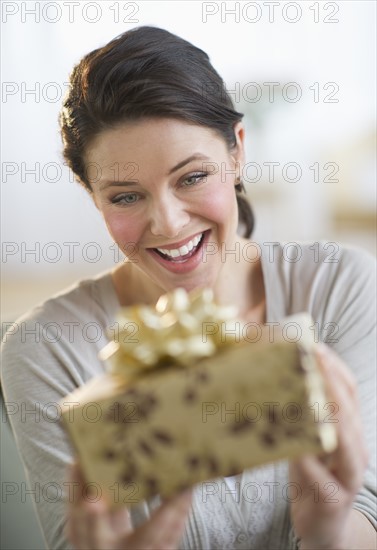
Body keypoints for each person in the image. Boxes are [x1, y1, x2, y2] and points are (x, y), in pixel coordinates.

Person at [1, 25, 376, 550]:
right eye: (126, 197)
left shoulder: (340, 288)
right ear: (91, 195)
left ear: (237, 151)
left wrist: (330, 531)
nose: (170, 224)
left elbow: (366, 514)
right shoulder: (47, 348)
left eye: (193, 177)